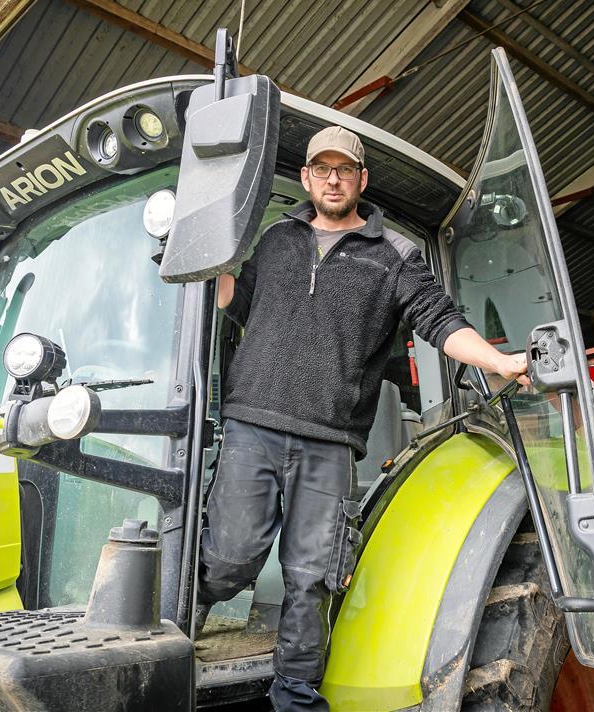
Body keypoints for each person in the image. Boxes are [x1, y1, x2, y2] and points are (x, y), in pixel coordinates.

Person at [197, 126, 529, 710]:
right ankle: (176, 635)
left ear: (360, 180)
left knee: (310, 577)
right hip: (253, 424)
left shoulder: (393, 255)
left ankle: (294, 694)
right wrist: (195, 248)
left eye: (343, 169)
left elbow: (442, 323)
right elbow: (238, 301)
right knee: (228, 557)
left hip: (328, 442)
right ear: (305, 177)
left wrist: (499, 360)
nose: (331, 178)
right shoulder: (276, 238)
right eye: (321, 168)